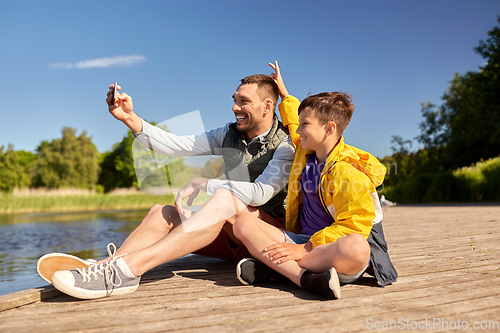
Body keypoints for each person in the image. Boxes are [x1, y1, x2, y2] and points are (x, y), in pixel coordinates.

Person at [48, 72, 295, 299]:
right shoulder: (228, 134)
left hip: (268, 239)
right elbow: (176, 145)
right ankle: (107, 266)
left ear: (267, 107)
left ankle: (129, 269)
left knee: (224, 199)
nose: (234, 107)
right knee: (162, 212)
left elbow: (262, 194)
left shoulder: (287, 145)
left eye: (243, 101)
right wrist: (130, 118)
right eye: (234, 99)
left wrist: (206, 184)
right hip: (232, 237)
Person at [232, 62, 398, 299]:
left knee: (357, 247)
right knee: (242, 224)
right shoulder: (306, 153)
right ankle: (304, 278)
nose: (298, 131)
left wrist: (304, 249)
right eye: (300, 125)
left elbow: (354, 226)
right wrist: (284, 94)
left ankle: (278, 269)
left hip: (329, 250)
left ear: (329, 129)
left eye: (305, 125)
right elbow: (291, 121)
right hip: (300, 241)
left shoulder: (348, 172)